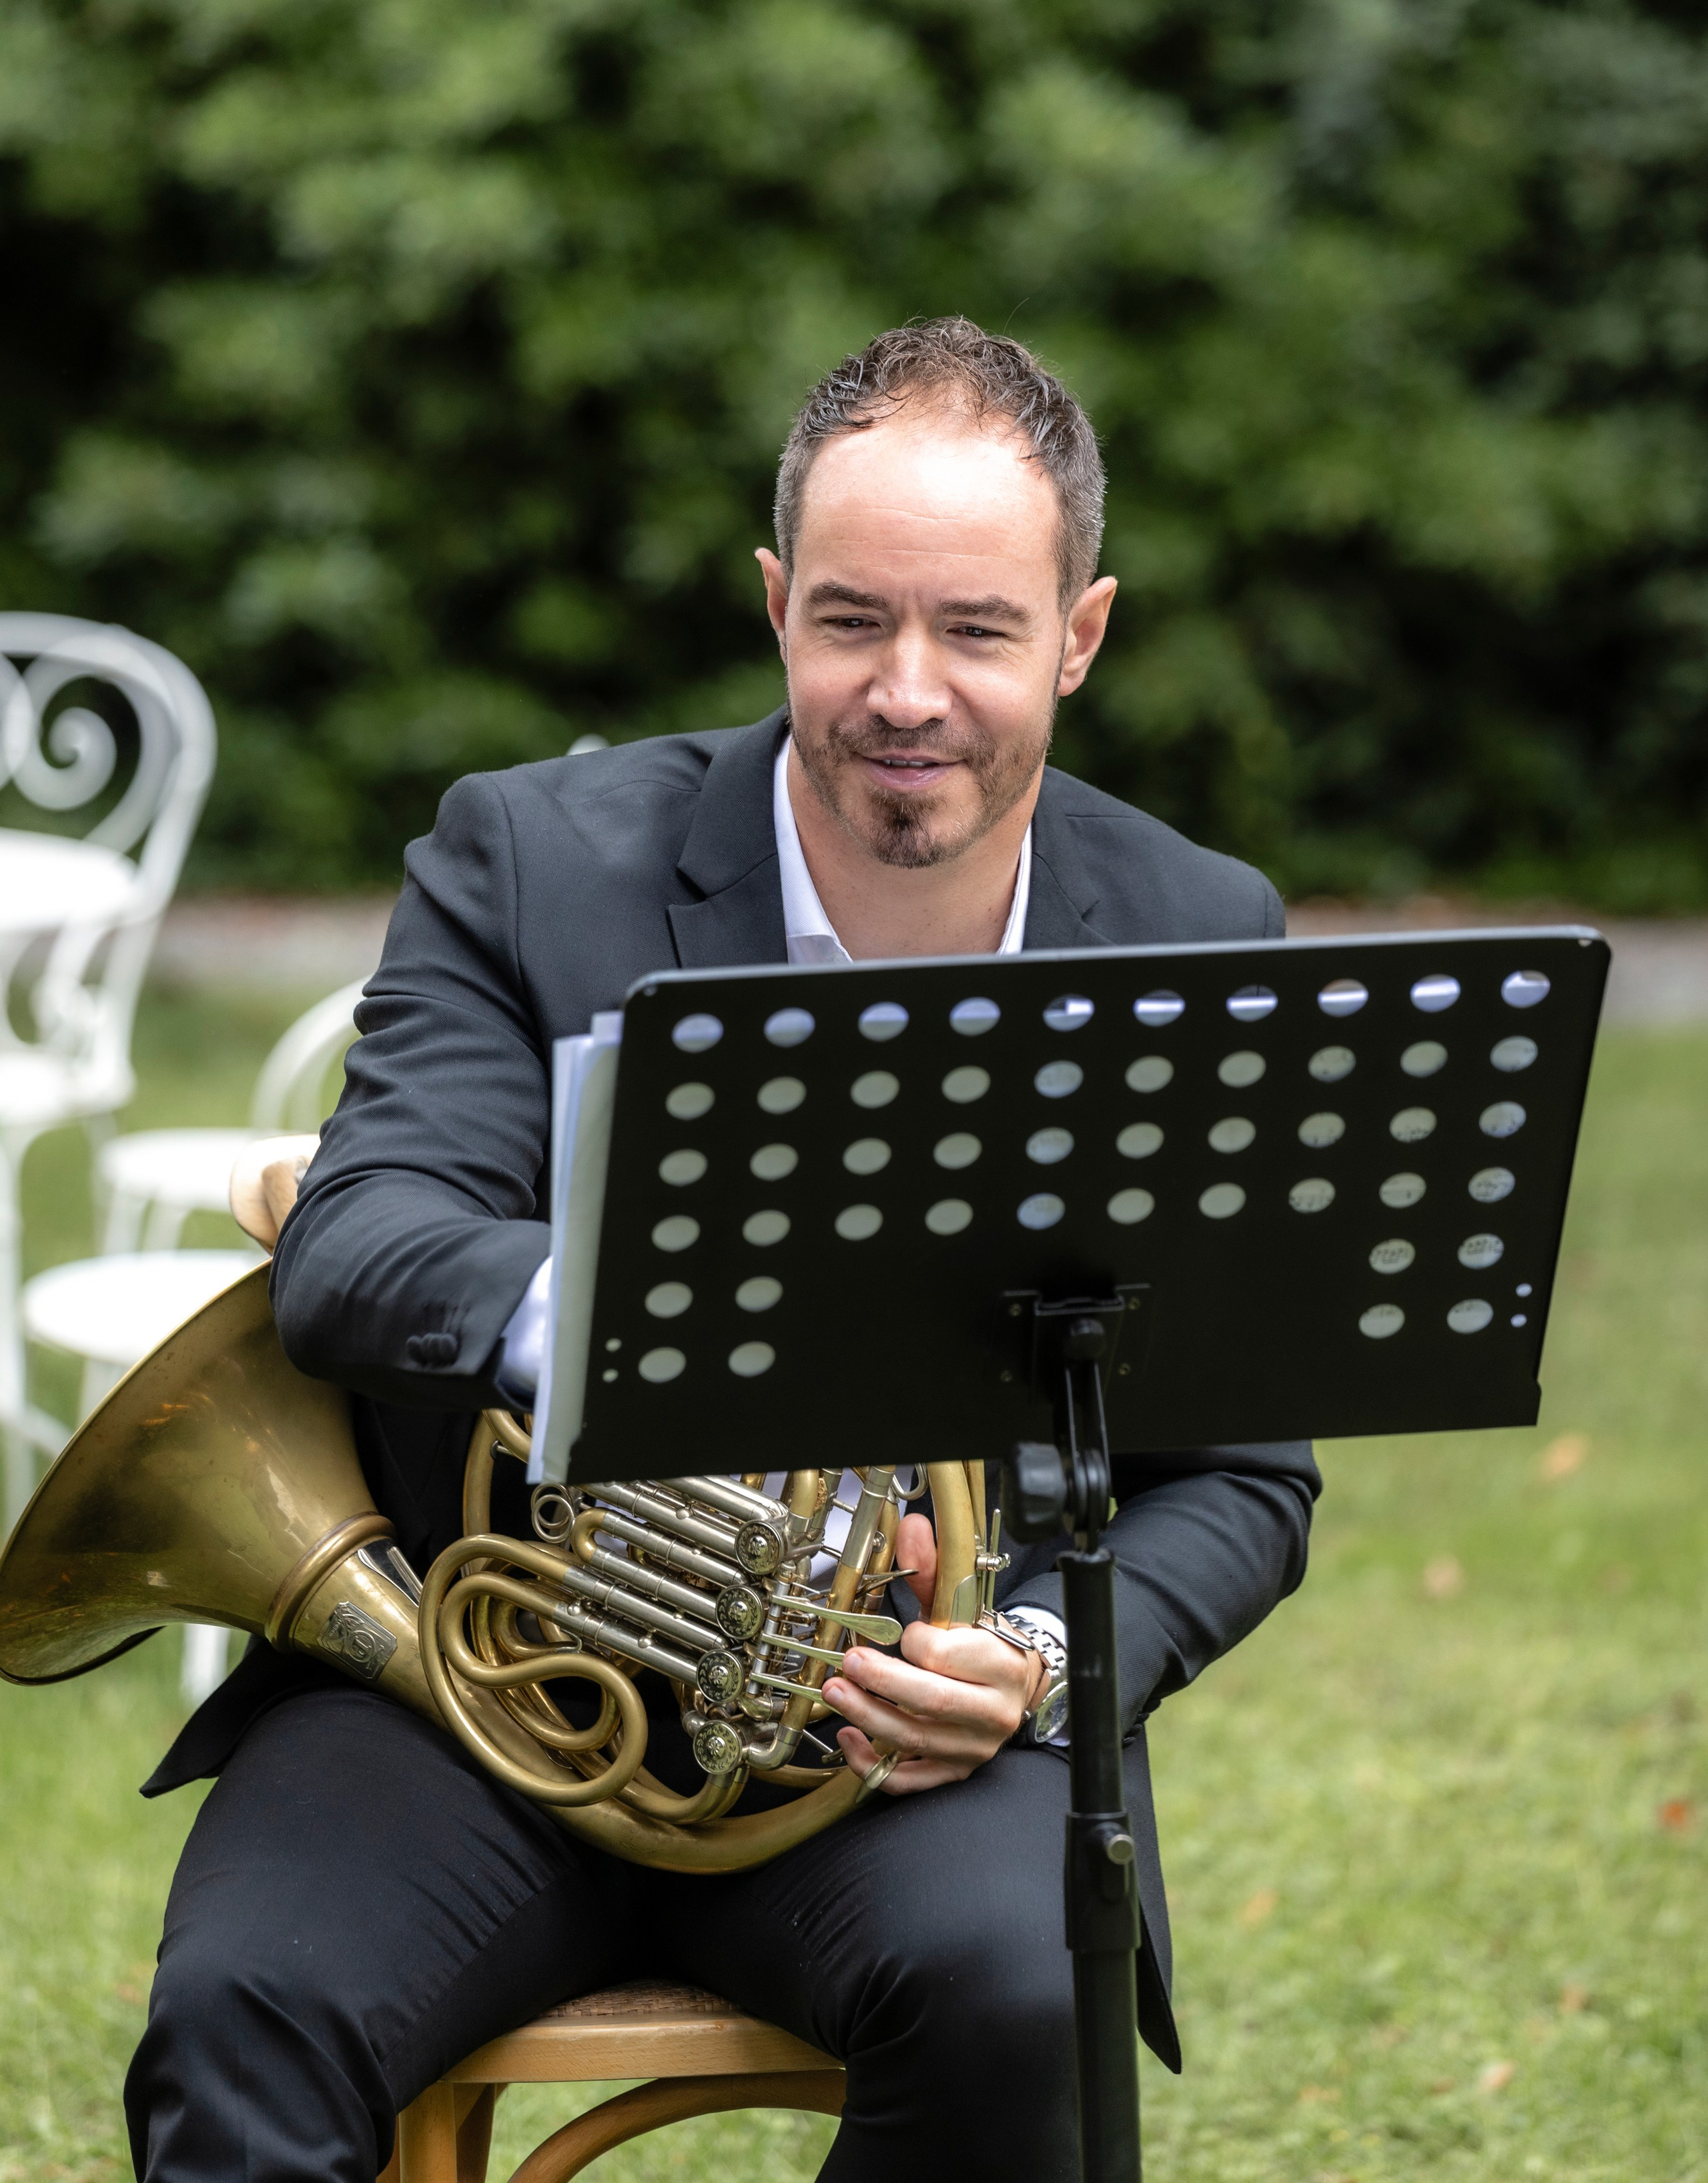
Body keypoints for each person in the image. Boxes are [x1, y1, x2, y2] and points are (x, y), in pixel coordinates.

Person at [127, 318, 1319, 2183]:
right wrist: (629, 1320)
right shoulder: (529, 860)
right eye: (852, 619)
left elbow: (1244, 1474)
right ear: (778, 604)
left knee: (1025, 2005)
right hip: (474, 1699)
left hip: (895, 1748)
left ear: (1079, 637)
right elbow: (356, 1245)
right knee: (244, 2013)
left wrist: (1027, 1656)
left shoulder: (1188, 931)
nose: (904, 690)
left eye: (978, 630)